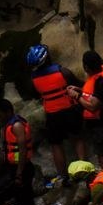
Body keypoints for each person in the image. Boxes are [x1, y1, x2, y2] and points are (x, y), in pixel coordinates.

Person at [25, 44, 85, 184]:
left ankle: (62, 175)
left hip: (52, 114)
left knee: (56, 144)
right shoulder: (62, 72)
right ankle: (83, 168)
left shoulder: (33, 80)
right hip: (69, 109)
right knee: (77, 138)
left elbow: (35, 94)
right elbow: (78, 84)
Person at [68, 51, 103, 170]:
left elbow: (93, 106)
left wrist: (76, 96)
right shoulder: (99, 76)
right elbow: (93, 94)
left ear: (86, 67)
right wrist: (80, 91)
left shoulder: (101, 81)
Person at [0, 100, 35, 205]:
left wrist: (19, 174)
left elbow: (22, 150)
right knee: (24, 202)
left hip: (22, 169)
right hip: (14, 168)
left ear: (8, 112)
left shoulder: (17, 126)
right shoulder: (7, 124)